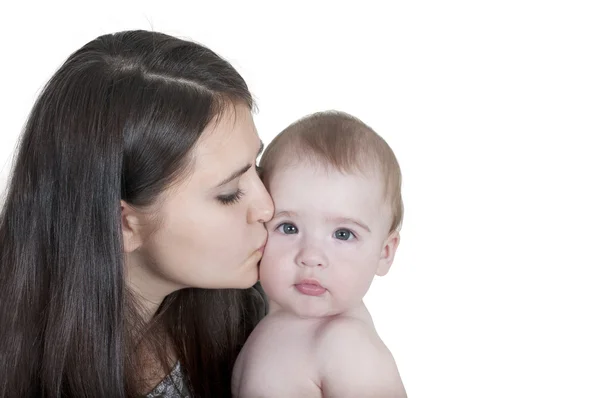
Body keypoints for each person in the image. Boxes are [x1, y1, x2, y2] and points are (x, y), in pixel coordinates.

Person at [0, 30, 274, 398]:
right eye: (229, 195)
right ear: (122, 224)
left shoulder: (256, 312)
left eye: (256, 166)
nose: (267, 206)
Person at [232, 111, 408, 397]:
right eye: (288, 228)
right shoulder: (264, 320)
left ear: (385, 253)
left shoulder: (346, 347)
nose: (311, 256)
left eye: (343, 234)